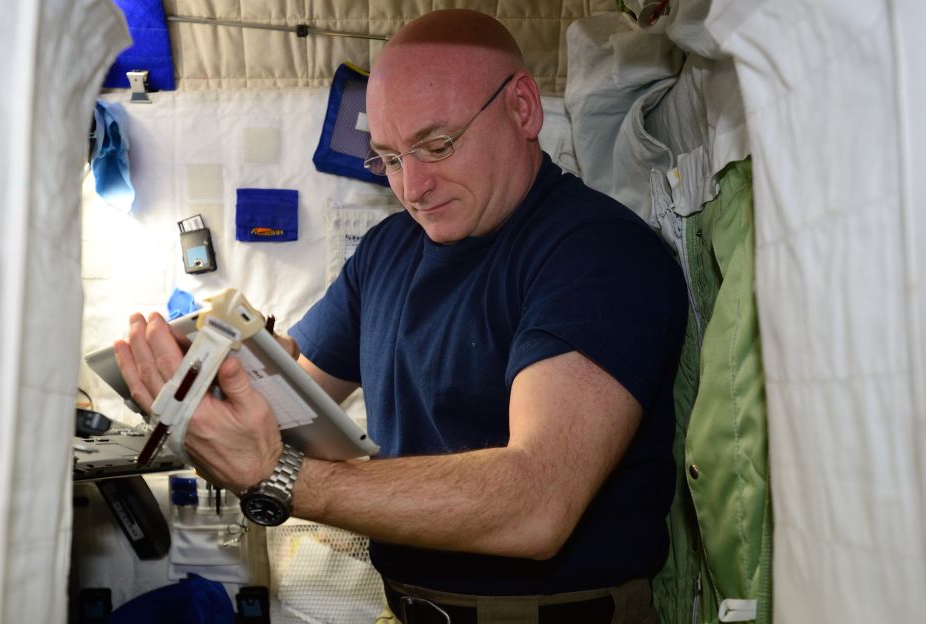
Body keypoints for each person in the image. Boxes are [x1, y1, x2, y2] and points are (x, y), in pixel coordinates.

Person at [113, 9, 687, 624]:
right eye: (386, 158)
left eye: (436, 146)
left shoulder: (595, 253)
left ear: (523, 107)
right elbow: (294, 400)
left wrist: (276, 476)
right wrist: (209, 384)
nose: (413, 186)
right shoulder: (388, 250)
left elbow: (535, 505)